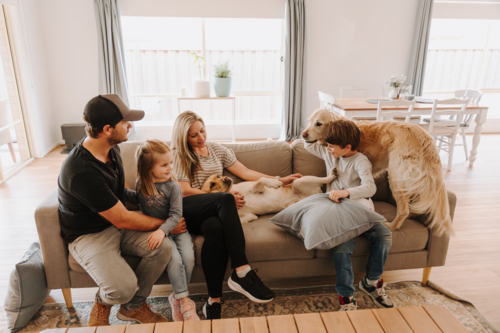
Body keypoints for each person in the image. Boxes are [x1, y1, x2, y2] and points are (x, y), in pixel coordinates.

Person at [58, 95, 177, 326]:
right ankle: (103, 303)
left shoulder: (111, 150)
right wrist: (164, 221)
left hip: (114, 223)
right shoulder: (82, 171)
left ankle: (132, 308)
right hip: (89, 235)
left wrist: (150, 199)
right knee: (121, 289)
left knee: (162, 247)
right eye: (125, 122)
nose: (130, 126)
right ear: (107, 129)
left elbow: (118, 190)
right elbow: (123, 219)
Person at [171, 111, 302, 319]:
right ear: (183, 137)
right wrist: (222, 198)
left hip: (213, 213)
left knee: (216, 228)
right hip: (191, 207)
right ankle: (242, 270)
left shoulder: (216, 149)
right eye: (193, 135)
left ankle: (213, 302)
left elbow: (246, 173)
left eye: (202, 131)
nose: (201, 137)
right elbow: (184, 190)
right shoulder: (178, 154)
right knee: (226, 199)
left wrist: (279, 178)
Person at [304, 119, 394, 311]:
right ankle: (346, 294)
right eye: (327, 145)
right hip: (338, 212)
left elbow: (370, 187)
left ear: (347, 147)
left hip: (359, 209)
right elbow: (306, 142)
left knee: (384, 235)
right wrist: (318, 128)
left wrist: (347, 192)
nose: (328, 149)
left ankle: (371, 281)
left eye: (332, 146)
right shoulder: (329, 154)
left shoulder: (360, 161)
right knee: (342, 247)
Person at [123, 140, 199, 322]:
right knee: (174, 260)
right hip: (161, 233)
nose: (170, 168)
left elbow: (175, 215)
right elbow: (139, 199)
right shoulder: (141, 183)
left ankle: (176, 298)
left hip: (176, 231)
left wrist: (161, 231)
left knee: (188, 258)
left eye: (170, 163)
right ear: (149, 167)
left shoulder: (173, 187)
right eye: (164, 165)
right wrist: (122, 191)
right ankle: (184, 301)